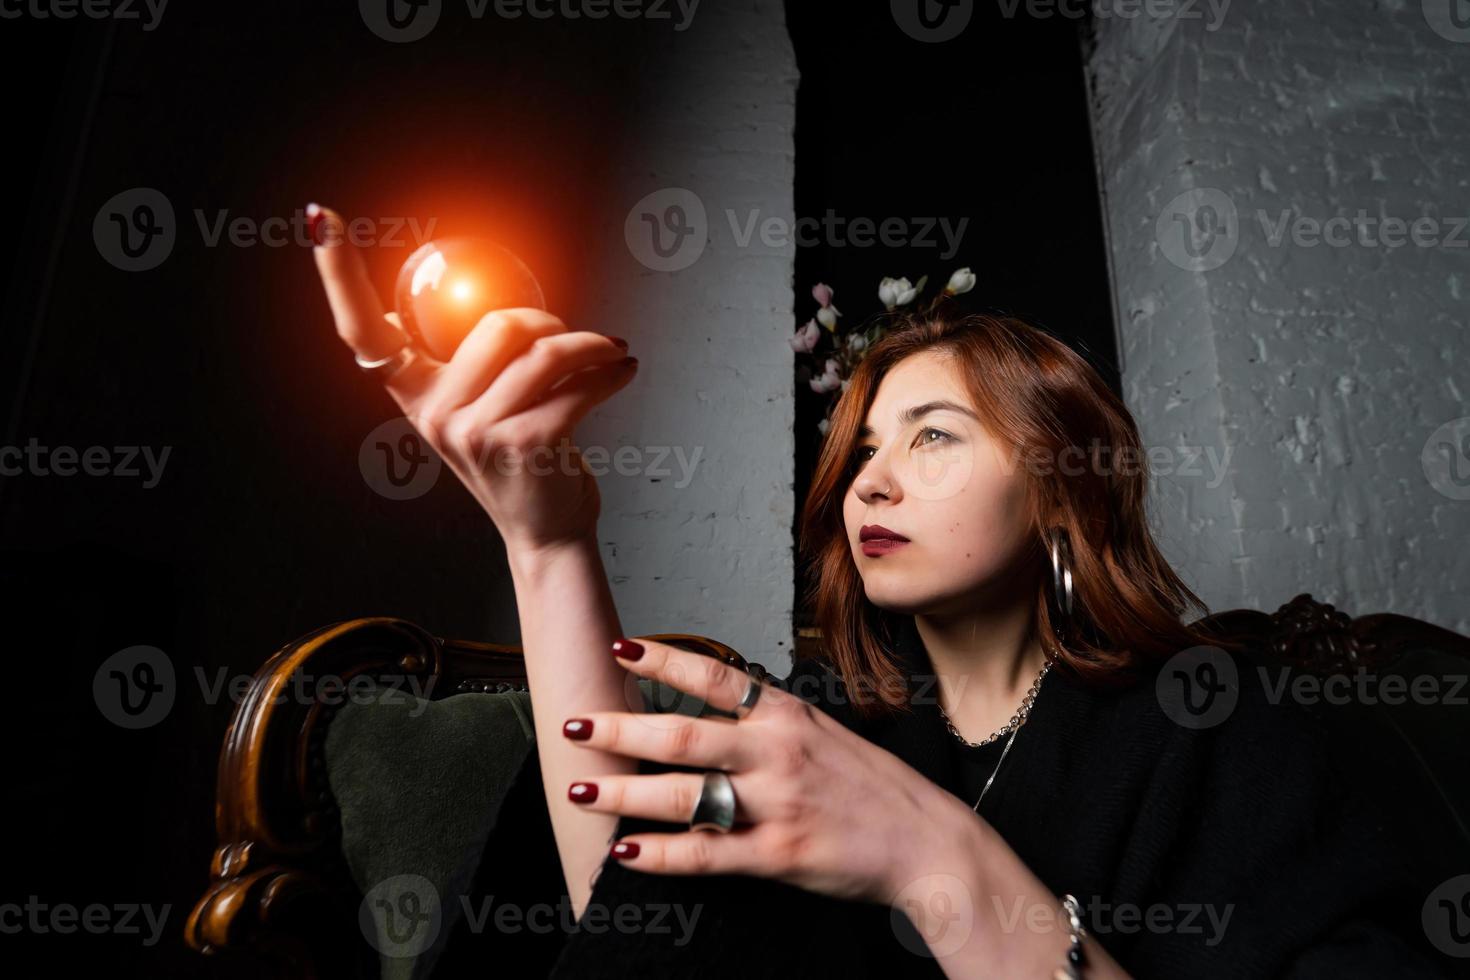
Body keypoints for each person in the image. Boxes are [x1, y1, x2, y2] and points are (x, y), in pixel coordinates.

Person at [309, 203, 1449, 978]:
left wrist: (936, 860)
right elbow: (628, 907)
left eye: (935, 434)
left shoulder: (1224, 728)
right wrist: (546, 542)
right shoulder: (830, 724)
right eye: (860, 451)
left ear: (1063, 491)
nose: (874, 477)